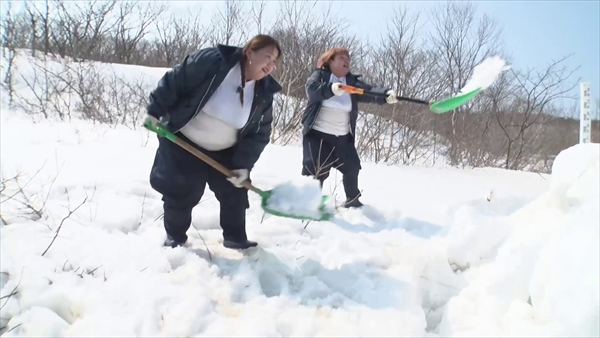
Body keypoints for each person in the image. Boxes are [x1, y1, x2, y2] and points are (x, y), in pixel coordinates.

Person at [144, 35, 282, 250]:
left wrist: (243, 165)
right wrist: (155, 111)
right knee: (181, 190)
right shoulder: (214, 61)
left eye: (274, 61)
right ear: (249, 53)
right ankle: (176, 238)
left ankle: (235, 238)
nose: (270, 65)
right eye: (267, 57)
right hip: (183, 140)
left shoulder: (264, 92)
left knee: (234, 193)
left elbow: (259, 133)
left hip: (225, 150)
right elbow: (176, 80)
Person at [301, 47, 399, 208]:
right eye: (342, 58)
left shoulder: (351, 81)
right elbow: (312, 91)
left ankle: (353, 201)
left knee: (352, 167)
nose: (346, 61)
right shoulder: (320, 75)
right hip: (318, 136)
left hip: (342, 138)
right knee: (316, 172)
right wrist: (331, 88)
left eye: (348, 59)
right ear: (330, 61)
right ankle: (310, 205)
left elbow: (368, 91)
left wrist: (386, 95)